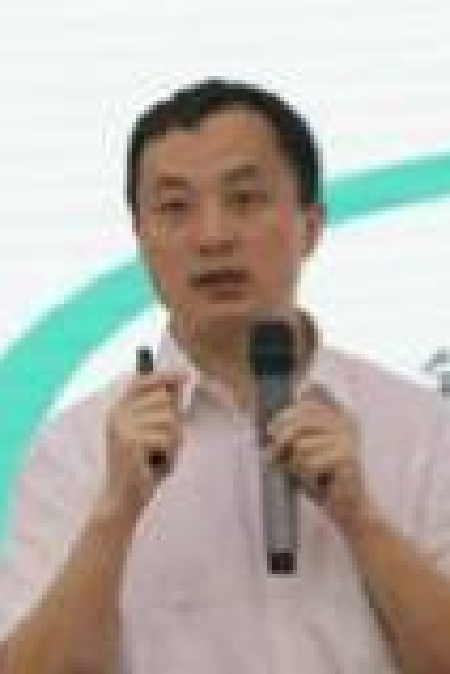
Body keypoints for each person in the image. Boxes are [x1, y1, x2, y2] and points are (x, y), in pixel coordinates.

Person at [1, 77, 450, 674]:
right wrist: (115, 514)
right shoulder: (76, 452)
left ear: (312, 225)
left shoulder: (420, 430)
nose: (213, 237)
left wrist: (361, 520)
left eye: (244, 199)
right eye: (175, 208)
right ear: (140, 237)